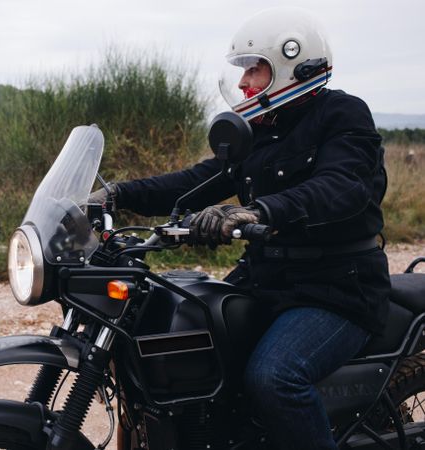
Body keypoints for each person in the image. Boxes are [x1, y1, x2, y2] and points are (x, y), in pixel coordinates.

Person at [90, 7, 390, 450]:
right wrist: (117, 194)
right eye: (245, 70)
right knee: (193, 342)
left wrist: (258, 211)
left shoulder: (343, 114)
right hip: (267, 280)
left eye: (255, 68)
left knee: (275, 377)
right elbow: (197, 180)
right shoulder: (259, 129)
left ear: (292, 63)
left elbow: (340, 187)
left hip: (338, 289)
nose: (244, 82)